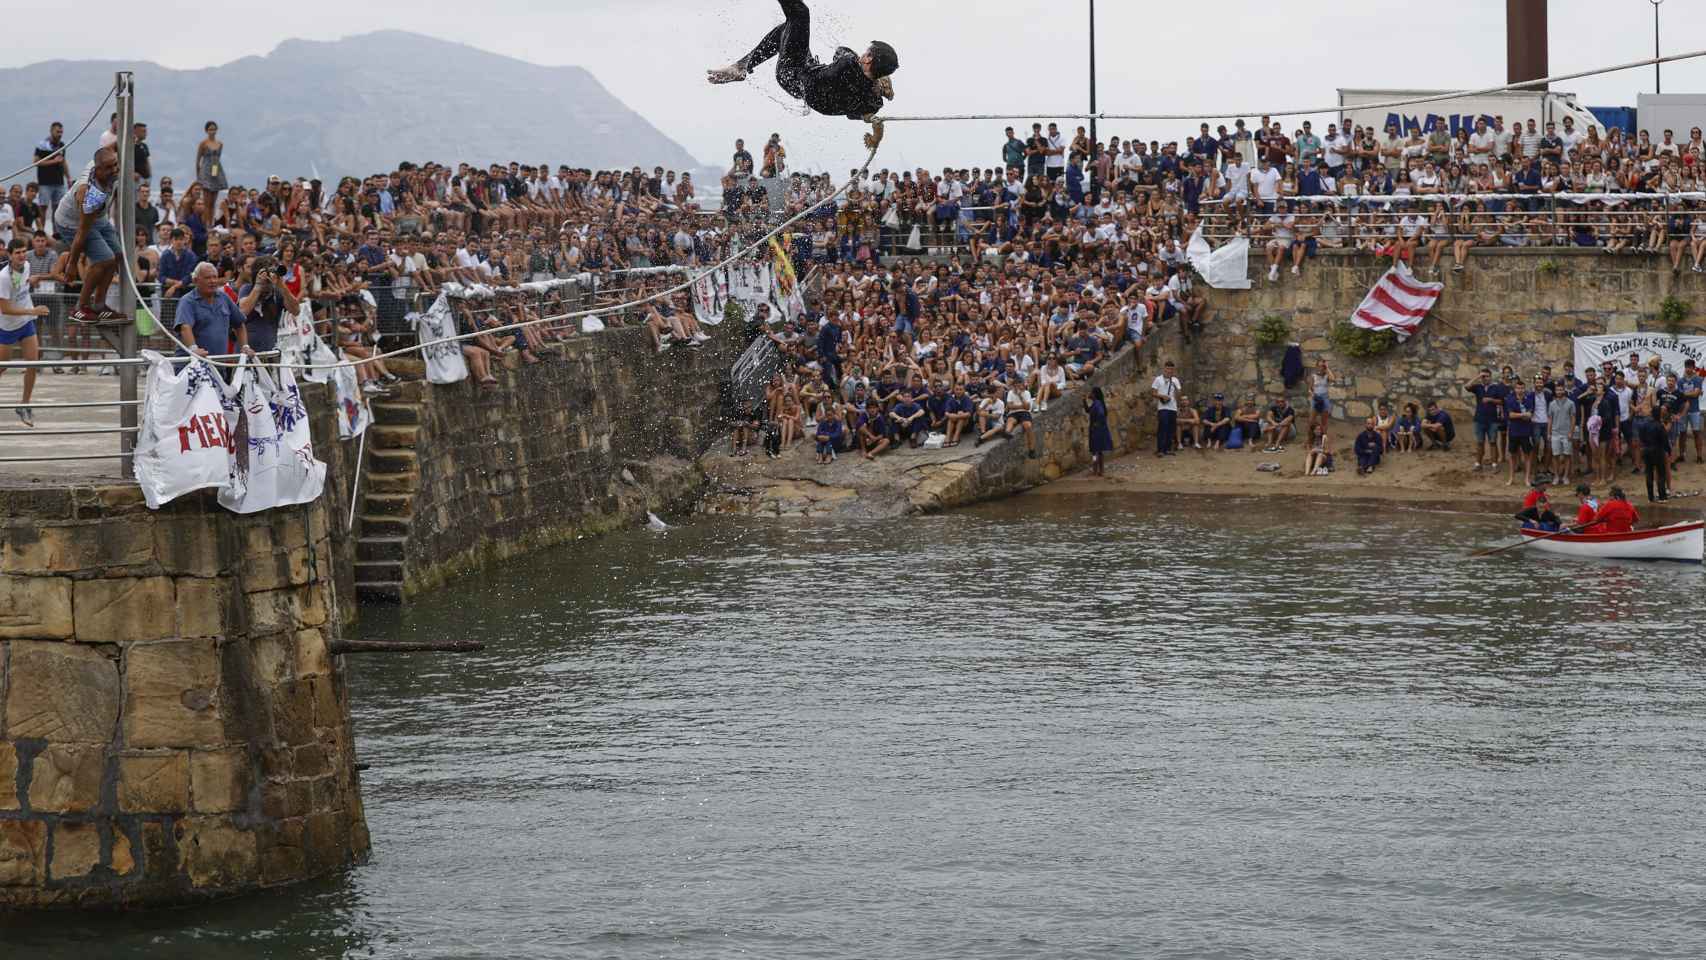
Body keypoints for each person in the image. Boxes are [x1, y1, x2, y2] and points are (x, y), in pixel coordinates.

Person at [708, 1, 900, 151]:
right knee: (786, 30)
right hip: (801, 85)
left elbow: (841, 51)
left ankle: (741, 67)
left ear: (868, 60)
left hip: (793, 72)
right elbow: (859, 114)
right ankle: (741, 67)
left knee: (800, 15)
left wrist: (872, 80)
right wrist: (874, 132)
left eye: (866, 53)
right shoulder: (873, 101)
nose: (862, 55)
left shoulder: (849, 63)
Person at [55, 146, 126, 325]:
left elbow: (112, 147)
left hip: (99, 218)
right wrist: (72, 263)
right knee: (104, 259)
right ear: (98, 169)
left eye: (115, 165)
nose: (114, 169)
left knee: (117, 255)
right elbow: (81, 232)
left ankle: (99, 306)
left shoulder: (102, 163)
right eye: (109, 168)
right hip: (72, 223)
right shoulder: (90, 195)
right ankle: (80, 307)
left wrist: (129, 136)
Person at [0, 238, 49, 427]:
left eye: (23, 251)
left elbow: (22, 283)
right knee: (2, 367)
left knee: (33, 364)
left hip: (26, 323)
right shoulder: (3, 278)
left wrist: (34, 279)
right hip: (7, 326)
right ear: (10, 255)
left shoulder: (27, 265)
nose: (21, 255)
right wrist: (33, 311)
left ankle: (24, 404)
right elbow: (6, 309)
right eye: (17, 252)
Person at [175, 261, 250, 358]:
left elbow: (239, 323)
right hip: (193, 366)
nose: (213, 281)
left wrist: (245, 346)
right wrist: (194, 349)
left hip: (219, 364)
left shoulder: (224, 297)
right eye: (207, 278)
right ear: (195, 280)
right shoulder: (187, 301)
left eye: (215, 277)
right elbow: (185, 327)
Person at [1638, 406, 1672, 502]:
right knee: (1661, 473)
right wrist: (1668, 451)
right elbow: (1664, 440)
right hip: (1657, 451)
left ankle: (1650, 497)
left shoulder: (1644, 424)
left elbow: (1641, 438)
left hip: (1646, 450)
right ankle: (1662, 497)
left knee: (1649, 474)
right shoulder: (1659, 426)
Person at [1546, 381, 1576, 486]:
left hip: (1566, 433)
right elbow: (1550, 419)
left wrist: (1571, 432)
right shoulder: (1552, 404)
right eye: (1557, 390)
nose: (1559, 391)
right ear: (1555, 391)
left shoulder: (1571, 403)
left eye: (1561, 389)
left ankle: (1565, 476)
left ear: (1564, 390)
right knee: (1555, 455)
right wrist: (1549, 433)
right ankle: (1556, 476)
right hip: (1555, 433)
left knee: (1567, 455)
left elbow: (1573, 419)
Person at [1150, 359, 1180, 457]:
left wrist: (1176, 389)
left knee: (1171, 429)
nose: (1169, 371)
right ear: (1164, 369)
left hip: (1173, 408)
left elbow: (1179, 394)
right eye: (1167, 369)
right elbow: (1153, 393)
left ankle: (1167, 449)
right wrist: (1162, 396)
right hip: (1162, 407)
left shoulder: (1175, 380)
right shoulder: (1158, 379)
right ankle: (1160, 450)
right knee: (1163, 428)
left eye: (1171, 369)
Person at [1085, 386, 1112, 477]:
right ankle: (1101, 471)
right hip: (1100, 430)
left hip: (1096, 431)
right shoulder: (1097, 403)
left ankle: (1095, 470)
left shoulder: (1097, 403)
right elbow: (1088, 410)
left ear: (1095, 394)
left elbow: (1101, 414)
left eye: (1091, 393)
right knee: (1099, 451)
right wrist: (1084, 401)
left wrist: (1096, 425)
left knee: (1094, 452)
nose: (1090, 394)